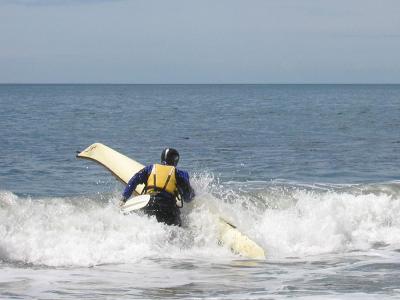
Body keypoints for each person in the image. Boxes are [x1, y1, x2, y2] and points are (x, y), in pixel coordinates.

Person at [120, 148, 195, 226]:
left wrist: (124, 198)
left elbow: (133, 181)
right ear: (175, 161)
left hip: (149, 203)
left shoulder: (150, 168)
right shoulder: (179, 173)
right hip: (168, 207)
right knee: (179, 228)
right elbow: (188, 197)